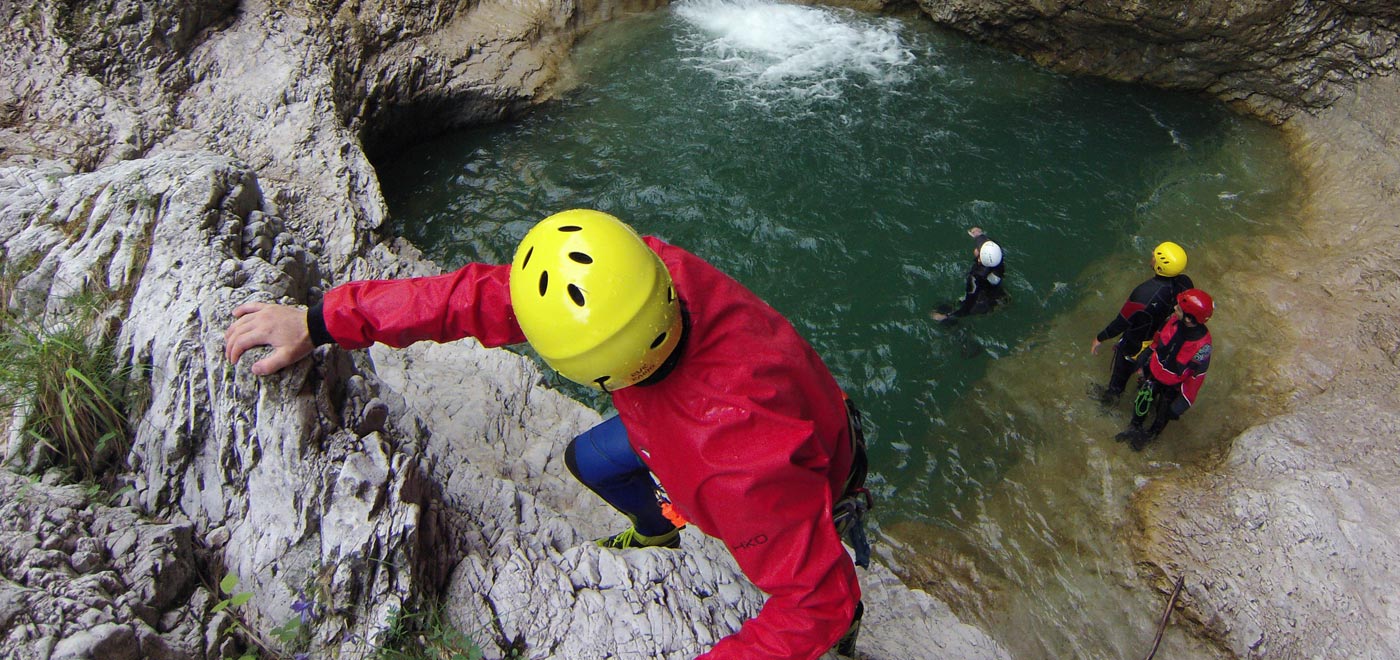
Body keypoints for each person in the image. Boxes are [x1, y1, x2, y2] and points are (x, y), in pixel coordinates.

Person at [224, 209, 871, 660]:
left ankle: (843, 607)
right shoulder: (634, 276)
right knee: (588, 459)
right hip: (721, 418)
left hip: (793, 458)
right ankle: (657, 528)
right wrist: (322, 319)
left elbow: (817, 602)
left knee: (819, 579)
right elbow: (471, 297)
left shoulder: (739, 470)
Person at [1089, 241, 1193, 405]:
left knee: (1118, 382)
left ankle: (1108, 403)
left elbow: (1121, 322)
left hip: (1135, 345)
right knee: (1149, 378)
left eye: (1155, 255)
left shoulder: (1143, 293)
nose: (1152, 254)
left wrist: (1100, 338)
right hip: (1162, 344)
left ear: (1160, 266)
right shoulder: (1185, 283)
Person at [1114, 288, 1214, 451]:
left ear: (1189, 319)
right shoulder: (1173, 320)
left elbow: (1197, 376)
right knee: (1143, 400)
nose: (1175, 308)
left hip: (1173, 385)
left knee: (1163, 414)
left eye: (1179, 308)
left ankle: (1149, 437)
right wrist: (1144, 358)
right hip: (1153, 373)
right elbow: (1157, 341)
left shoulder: (1202, 348)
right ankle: (1133, 427)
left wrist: (1182, 404)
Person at [929, 226, 1005, 323]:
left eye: (978, 250)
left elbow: (968, 307)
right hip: (997, 291)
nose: (976, 249)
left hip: (984, 301)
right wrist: (978, 235)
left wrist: (946, 316)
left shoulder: (975, 278)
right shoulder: (997, 255)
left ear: (980, 259)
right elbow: (986, 245)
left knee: (943, 310)